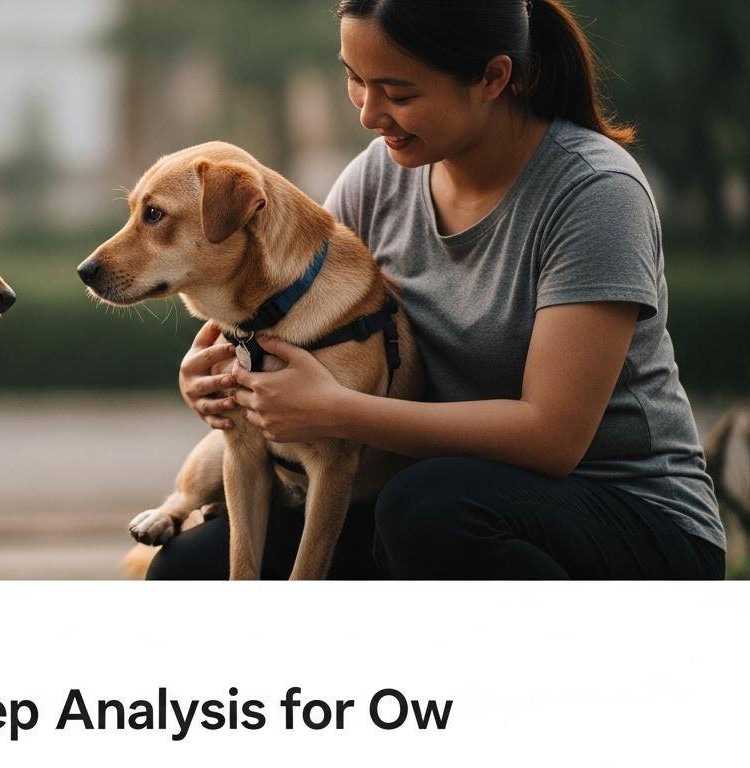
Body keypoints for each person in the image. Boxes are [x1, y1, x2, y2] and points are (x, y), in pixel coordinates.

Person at [151, 0, 725, 579]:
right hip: (441, 497)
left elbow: (553, 439)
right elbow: (289, 319)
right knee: (187, 568)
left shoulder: (594, 194)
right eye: (355, 80)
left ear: (492, 78)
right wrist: (214, 377)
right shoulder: (380, 177)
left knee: (426, 508)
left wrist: (341, 412)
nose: (370, 114)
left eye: (398, 93)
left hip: (631, 518)